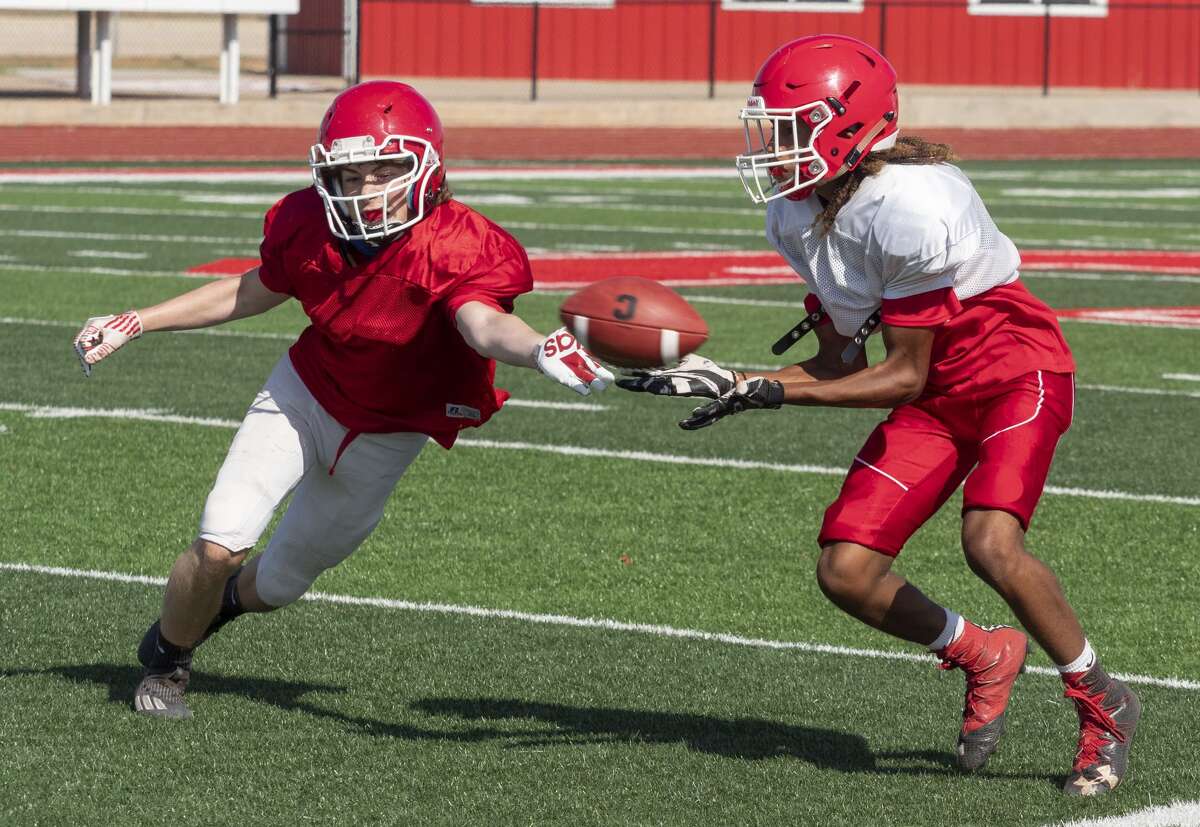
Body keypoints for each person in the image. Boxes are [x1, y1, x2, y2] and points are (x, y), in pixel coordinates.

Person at [619, 35, 1138, 797]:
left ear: (845, 127)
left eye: (789, 128)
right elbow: (841, 364)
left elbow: (903, 373)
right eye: (768, 127)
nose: (770, 147)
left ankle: (1105, 701)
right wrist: (734, 377)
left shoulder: (913, 204)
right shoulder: (799, 215)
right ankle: (982, 651)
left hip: (1011, 371)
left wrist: (771, 390)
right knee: (846, 570)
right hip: (934, 393)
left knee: (990, 541)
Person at [72, 80, 613, 721]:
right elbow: (258, 288)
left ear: (428, 167)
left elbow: (482, 324)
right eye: (350, 173)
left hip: (390, 432)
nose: (365, 190)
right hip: (307, 392)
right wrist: (140, 319)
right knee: (221, 540)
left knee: (277, 585)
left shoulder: (460, 242)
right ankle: (167, 660)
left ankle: (210, 609)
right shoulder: (308, 221)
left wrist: (538, 349)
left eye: (384, 170)